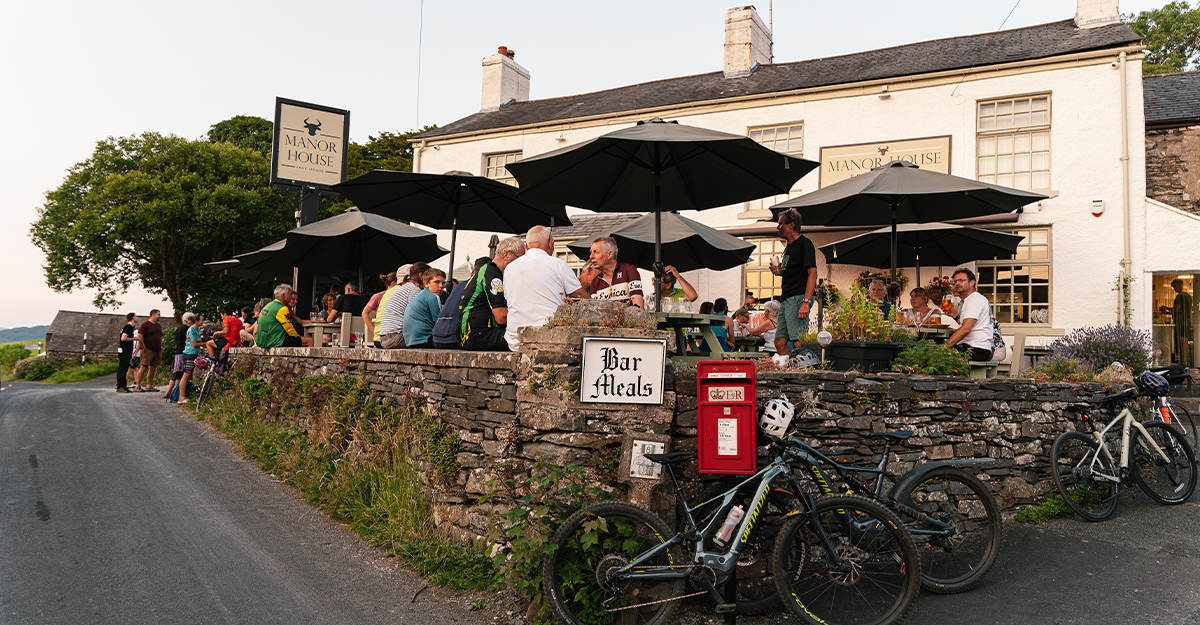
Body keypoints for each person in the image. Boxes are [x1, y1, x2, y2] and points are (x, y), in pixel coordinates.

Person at [503, 226, 587, 352]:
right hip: (549, 338)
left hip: (515, 341)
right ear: (550, 243)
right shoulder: (559, 264)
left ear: (526, 246)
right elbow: (581, 298)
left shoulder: (509, 268)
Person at [461, 237, 525, 351]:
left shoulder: (491, 271)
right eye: (519, 258)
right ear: (506, 255)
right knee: (527, 339)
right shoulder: (492, 275)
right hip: (476, 335)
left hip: (477, 333)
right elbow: (501, 317)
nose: (521, 263)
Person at [771, 208, 818, 355]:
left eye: (780, 224)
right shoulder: (788, 248)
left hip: (798, 297)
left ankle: (804, 371)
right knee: (779, 341)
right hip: (786, 299)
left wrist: (806, 301)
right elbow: (794, 272)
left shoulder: (805, 243)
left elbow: (813, 273)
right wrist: (779, 271)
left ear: (791, 225)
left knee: (798, 340)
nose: (778, 227)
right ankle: (787, 369)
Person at [434, 258, 489, 350]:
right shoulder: (481, 285)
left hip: (438, 337)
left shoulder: (459, 286)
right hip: (454, 339)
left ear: (472, 273)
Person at [579, 237, 643, 308]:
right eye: (591, 252)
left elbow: (639, 308)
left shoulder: (629, 271)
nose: (591, 256)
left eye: (596, 252)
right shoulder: (595, 282)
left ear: (609, 254)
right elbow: (596, 312)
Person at [946, 268, 994, 361]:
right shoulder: (970, 299)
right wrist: (956, 316)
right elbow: (969, 323)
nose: (957, 283)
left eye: (961, 280)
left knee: (937, 355)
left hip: (977, 349)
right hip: (978, 347)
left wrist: (944, 346)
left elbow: (966, 329)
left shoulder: (974, 299)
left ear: (972, 283)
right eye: (955, 281)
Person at [379, 263, 430, 349]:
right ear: (421, 276)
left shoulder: (407, 287)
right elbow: (417, 317)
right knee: (432, 341)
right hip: (395, 337)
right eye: (429, 278)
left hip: (386, 338)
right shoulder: (414, 290)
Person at [256, 284, 314, 349]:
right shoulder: (282, 308)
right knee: (309, 341)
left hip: (262, 341)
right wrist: (298, 338)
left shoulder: (269, 305)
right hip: (275, 341)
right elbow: (289, 329)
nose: (290, 297)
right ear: (283, 295)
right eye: (290, 295)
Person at [403, 268, 448, 349]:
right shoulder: (433, 297)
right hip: (424, 340)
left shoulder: (420, 295)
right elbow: (438, 324)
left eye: (443, 283)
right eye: (437, 282)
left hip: (410, 341)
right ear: (426, 283)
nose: (441, 286)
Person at [363, 272, 398, 348]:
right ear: (394, 283)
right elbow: (364, 313)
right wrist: (373, 330)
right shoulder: (378, 296)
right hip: (382, 332)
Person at [177, 313, 205, 404]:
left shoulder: (196, 329)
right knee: (186, 375)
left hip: (192, 354)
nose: (203, 321)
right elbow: (195, 344)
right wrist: (206, 343)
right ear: (196, 321)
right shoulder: (192, 330)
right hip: (190, 354)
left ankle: (183, 395)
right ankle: (181, 397)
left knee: (187, 375)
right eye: (201, 320)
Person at [163, 314, 192, 400]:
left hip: (177, 351)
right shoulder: (186, 329)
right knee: (180, 373)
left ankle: (168, 392)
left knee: (176, 372)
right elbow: (187, 340)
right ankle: (176, 393)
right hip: (183, 351)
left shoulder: (178, 328)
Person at [134, 309, 163, 393]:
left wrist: (160, 345)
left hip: (156, 349)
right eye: (158, 314)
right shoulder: (145, 325)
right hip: (147, 349)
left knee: (153, 367)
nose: (159, 316)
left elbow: (160, 336)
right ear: (153, 315)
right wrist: (143, 347)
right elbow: (140, 336)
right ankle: (137, 385)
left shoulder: (158, 326)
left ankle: (148, 386)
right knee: (144, 367)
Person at [1172, 279, 1193, 367]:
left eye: (1174, 287)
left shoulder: (1180, 297)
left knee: (1182, 342)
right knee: (1185, 342)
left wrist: (1168, 310)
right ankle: (1186, 361)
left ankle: (1183, 362)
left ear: (1178, 285)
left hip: (1181, 322)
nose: (1174, 289)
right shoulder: (1188, 296)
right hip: (1187, 321)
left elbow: (1176, 309)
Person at [116, 312, 138, 393]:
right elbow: (123, 338)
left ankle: (123, 386)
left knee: (125, 369)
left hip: (127, 351)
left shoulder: (130, 327)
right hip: (124, 351)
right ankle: (120, 386)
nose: (137, 318)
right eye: (136, 317)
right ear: (133, 318)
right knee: (122, 368)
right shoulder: (128, 327)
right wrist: (135, 339)